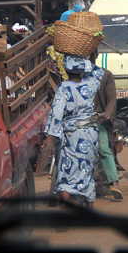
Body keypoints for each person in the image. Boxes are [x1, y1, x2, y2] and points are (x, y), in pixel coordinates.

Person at [43, 55, 104, 208]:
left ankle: (66, 207)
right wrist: (83, 57)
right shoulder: (91, 83)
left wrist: (50, 135)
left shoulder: (64, 87)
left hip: (72, 135)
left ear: (66, 70)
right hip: (90, 133)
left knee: (67, 172)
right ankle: (89, 208)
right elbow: (98, 71)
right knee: (87, 169)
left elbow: (57, 112)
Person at [89, 50, 123, 200]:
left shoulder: (106, 75)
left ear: (95, 55)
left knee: (103, 148)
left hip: (98, 120)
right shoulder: (76, 76)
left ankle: (114, 183)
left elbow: (111, 99)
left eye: (89, 54)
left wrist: (107, 113)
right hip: (79, 121)